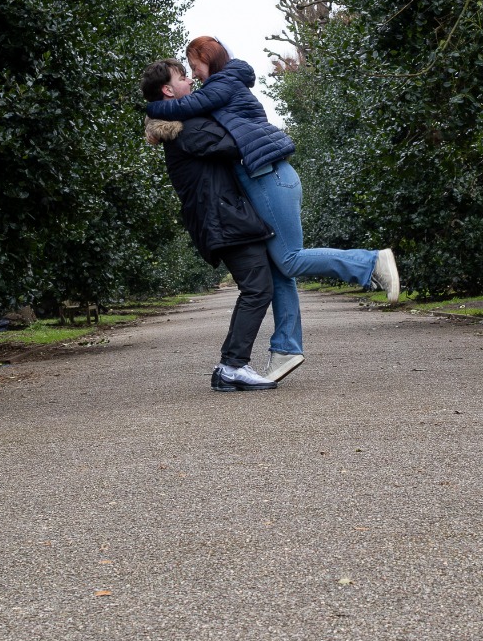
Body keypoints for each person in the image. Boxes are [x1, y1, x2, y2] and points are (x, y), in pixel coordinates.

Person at [144, 36, 399, 383]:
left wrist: (153, 112)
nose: (192, 77)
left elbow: (206, 126)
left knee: (289, 260)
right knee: (280, 269)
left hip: (269, 177)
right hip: (261, 181)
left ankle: (370, 263)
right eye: (184, 74)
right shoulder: (206, 104)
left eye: (193, 68)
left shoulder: (218, 89)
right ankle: (285, 349)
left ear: (209, 61)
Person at [140, 58, 278, 392]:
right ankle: (232, 366)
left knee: (256, 286)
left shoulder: (183, 127)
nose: (190, 81)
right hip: (224, 220)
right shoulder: (188, 130)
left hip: (221, 218)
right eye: (182, 77)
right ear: (168, 90)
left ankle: (231, 365)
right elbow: (234, 142)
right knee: (257, 288)